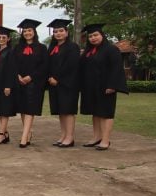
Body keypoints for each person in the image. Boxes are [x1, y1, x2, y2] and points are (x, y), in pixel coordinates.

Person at [79, 23, 128, 150]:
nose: (93, 38)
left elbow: (116, 69)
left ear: (102, 35)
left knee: (106, 113)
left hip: (106, 87)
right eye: (90, 36)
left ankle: (105, 140)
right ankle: (96, 137)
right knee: (95, 113)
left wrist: (112, 85)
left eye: (95, 35)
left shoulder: (111, 49)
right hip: (90, 87)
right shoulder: (88, 52)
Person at [13, 19, 48, 148]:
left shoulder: (42, 48)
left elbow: (44, 66)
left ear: (34, 32)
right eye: (25, 31)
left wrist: (31, 77)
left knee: (30, 109)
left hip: (35, 84)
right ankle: (28, 133)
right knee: (23, 108)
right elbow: (13, 63)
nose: (27, 33)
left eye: (29, 30)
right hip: (20, 82)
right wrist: (18, 75)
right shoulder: (17, 48)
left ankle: (24, 137)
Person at [46, 19, 81, 148]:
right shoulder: (53, 48)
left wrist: (57, 78)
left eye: (61, 31)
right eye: (55, 31)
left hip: (68, 84)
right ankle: (63, 135)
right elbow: (48, 65)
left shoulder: (72, 47)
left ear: (67, 32)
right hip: (54, 84)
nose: (58, 33)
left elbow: (71, 66)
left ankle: (70, 137)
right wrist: (49, 77)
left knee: (68, 111)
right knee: (61, 111)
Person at [0, 26, 17, 144]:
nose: (1, 39)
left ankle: (1, 134)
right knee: (1, 110)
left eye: (4, 37)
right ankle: (5, 133)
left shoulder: (10, 52)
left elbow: (12, 70)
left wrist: (8, 86)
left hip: (5, 85)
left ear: (8, 39)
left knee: (5, 110)